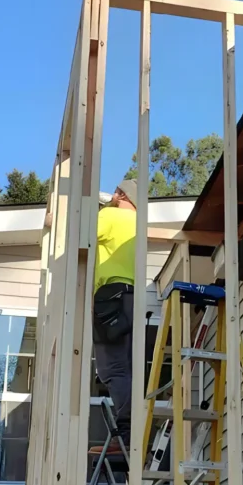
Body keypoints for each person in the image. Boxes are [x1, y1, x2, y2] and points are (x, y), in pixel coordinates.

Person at [92, 179, 137, 450]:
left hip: (111, 296)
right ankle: (132, 435)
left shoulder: (110, 215)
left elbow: (79, 234)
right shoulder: (138, 226)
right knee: (128, 368)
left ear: (120, 194)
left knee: (111, 368)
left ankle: (126, 437)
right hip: (132, 298)